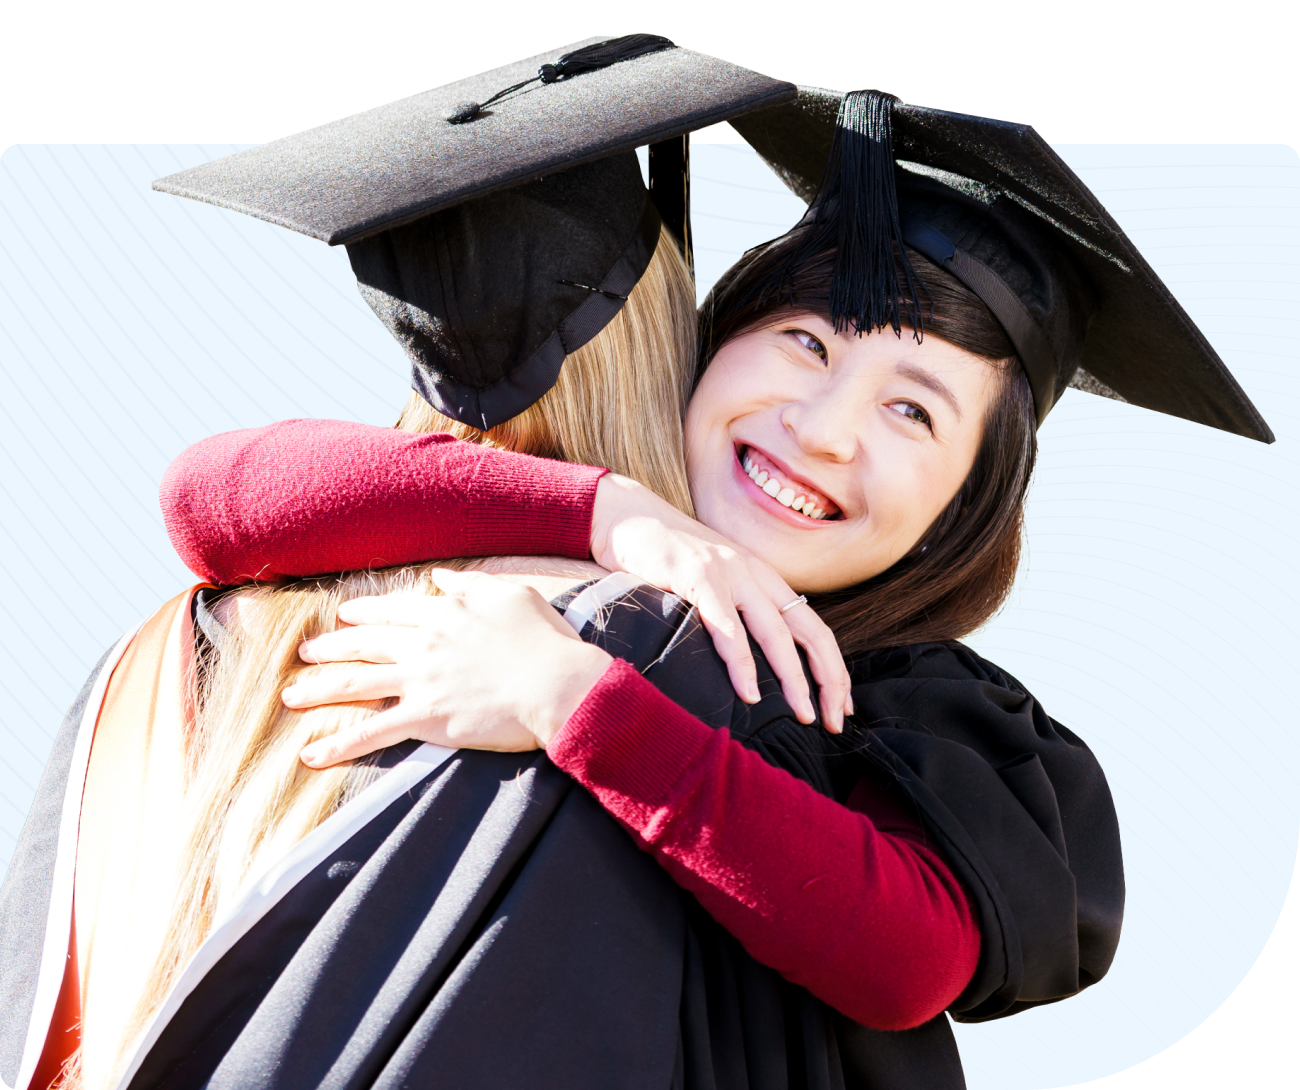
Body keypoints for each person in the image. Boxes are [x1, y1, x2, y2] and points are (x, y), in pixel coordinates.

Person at [150, 84, 1274, 1089]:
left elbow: (909, 958)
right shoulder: (585, 551)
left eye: (911, 410)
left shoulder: (909, 706)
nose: (823, 428)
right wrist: (607, 513)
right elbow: (210, 499)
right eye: (806, 342)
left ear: (960, 511)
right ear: (715, 339)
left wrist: (572, 704)